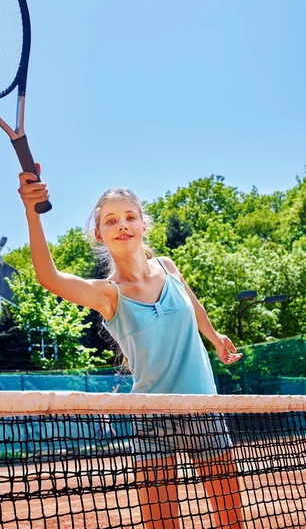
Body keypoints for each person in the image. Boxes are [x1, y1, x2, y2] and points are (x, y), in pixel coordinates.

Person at [18, 166, 244, 529]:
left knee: (232, 519)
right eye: (110, 220)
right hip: (150, 416)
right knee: (161, 523)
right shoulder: (108, 294)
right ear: (99, 234)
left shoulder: (168, 267)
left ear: (143, 225)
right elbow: (50, 278)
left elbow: (194, 305)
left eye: (129, 217)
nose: (121, 224)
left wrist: (215, 338)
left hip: (204, 406)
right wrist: (32, 210)